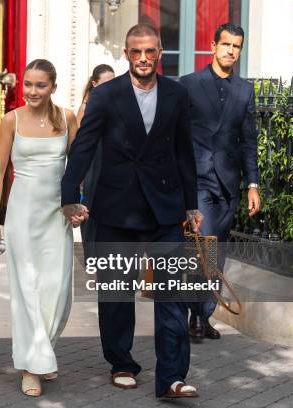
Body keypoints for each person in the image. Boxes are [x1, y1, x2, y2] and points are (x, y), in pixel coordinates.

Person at [61, 24, 203, 399]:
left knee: (172, 294)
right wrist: (69, 196)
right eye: (136, 51)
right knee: (117, 293)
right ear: (126, 54)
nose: (143, 58)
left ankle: (171, 378)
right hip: (116, 208)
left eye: (151, 51)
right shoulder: (106, 95)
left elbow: (185, 153)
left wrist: (192, 204)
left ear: (160, 53)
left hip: (165, 209)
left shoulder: (176, 94)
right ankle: (122, 362)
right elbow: (84, 148)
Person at [0, 59, 80, 397]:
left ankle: (42, 349)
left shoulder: (67, 118)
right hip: (21, 216)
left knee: (57, 290)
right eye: (27, 84)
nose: (32, 91)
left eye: (40, 85)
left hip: (56, 215)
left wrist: (77, 203)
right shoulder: (11, 121)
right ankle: (31, 366)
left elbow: (77, 167)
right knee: (27, 291)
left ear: (53, 86)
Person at [179, 23, 260, 342]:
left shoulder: (245, 89)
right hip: (199, 181)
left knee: (219, 252)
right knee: (205, 249)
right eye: (225, 44)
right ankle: (197, 316)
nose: (230, 50)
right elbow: (177, 134)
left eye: (236, 46)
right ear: (213, 45)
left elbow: (248, 142)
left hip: (229, 183)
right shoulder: (189, 84)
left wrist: (253, 183)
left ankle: (204, 313)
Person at [77, 64, 115, 248]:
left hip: (112, 164)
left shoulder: (118, 105)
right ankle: (91, 253)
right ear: (94, 84)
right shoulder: (85, 108)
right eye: (106, 83)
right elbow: (78, 144)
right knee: (90, 209)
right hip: (92, 165)